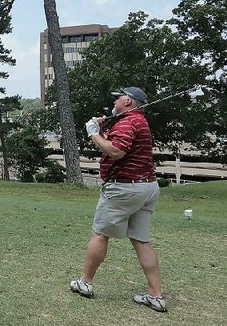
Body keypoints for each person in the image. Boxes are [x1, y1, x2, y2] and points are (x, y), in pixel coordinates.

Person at [69, 86, 167, 312]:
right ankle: (155, 295)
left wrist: (93, 132)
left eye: (118, 98)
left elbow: (116, 151)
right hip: (147, 188)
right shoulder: (137, 121)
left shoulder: (128, 122)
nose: (114, 101)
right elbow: (118, 144)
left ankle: (85, 282)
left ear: (129, 102)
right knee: (141, 240)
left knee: (100, 234)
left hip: (124, 188)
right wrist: (103, 129)